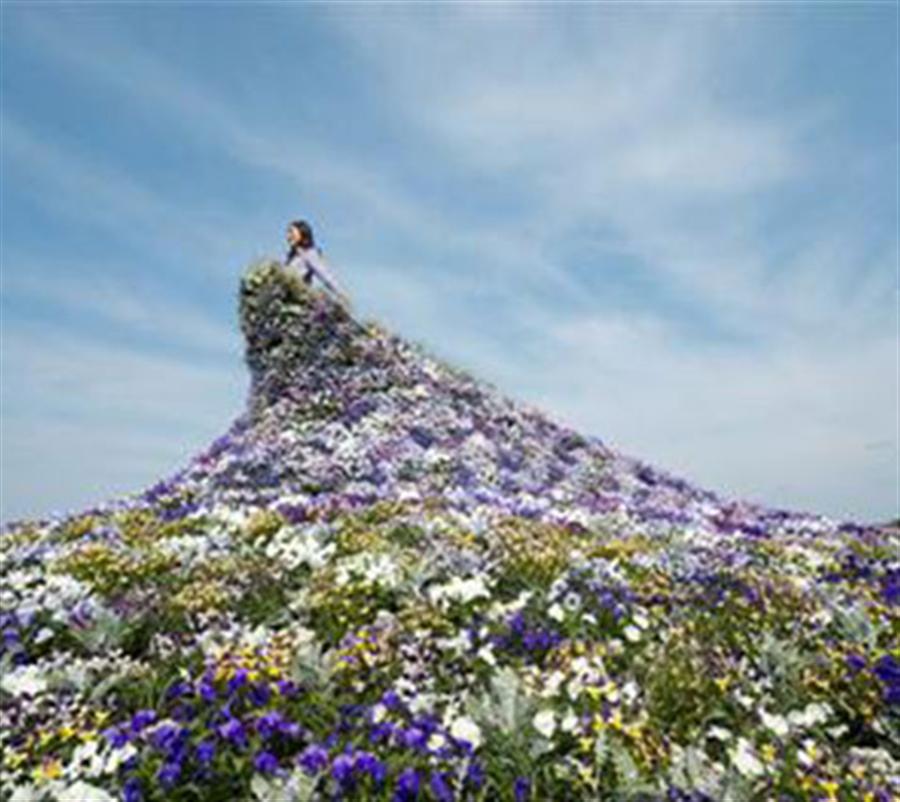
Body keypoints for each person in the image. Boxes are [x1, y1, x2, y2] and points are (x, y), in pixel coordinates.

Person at [284, 220, 351, 305]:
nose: (288, 236)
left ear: (302, 232)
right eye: (287, 233)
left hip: (298, 303)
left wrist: (342, 295)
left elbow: (325, 275)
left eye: (291, 232)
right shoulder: (292, 258)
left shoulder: (309, 253)